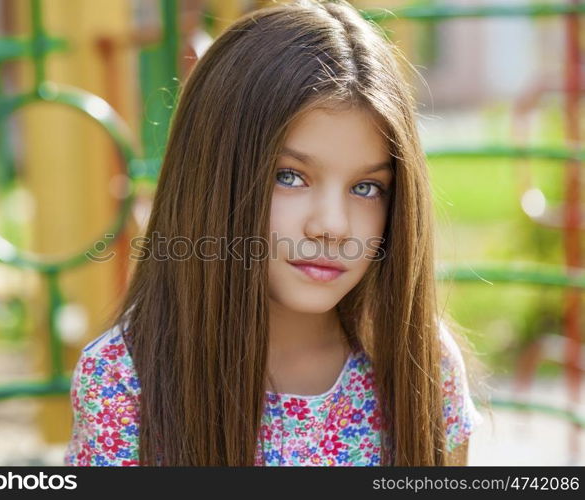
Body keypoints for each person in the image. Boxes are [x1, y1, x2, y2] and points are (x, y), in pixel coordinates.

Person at [64, 0, 485, 466]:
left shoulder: (418, 362)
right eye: (290, 176)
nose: (332, 225)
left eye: (367, 187)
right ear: (212, 177)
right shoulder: (125, 382)